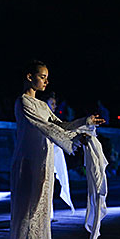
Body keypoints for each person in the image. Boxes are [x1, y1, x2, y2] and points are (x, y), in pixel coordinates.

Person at [7, 60, 104, 239]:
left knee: (41, 208)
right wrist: (73, 138)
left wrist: (84, 122)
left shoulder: (42, 105)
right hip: (27, 161)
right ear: (29, 77)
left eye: (46, 77)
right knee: (26, 209)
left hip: (44, 159)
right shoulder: (23, 102)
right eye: (42, 76)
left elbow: (59, 125)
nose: (46, 81)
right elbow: (45, 127)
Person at [41, 91, 75, 220]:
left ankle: (48, 214)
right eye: (52, 104)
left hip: (53, 154)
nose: (54, 107)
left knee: (50, 183)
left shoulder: (53, 119)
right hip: (43, 154)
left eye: (55, 104)